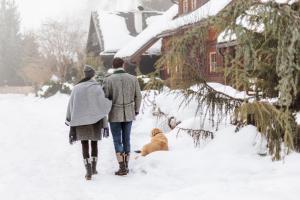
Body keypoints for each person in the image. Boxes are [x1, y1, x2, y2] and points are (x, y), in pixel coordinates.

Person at [65, 65, 112, 180]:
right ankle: (94, 168)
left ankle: (88, 171)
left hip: (80, 121)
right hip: (95, 121)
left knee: (84, 144)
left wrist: (70, 119)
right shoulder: (97, 87)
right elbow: (102, 105)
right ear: (93, 75)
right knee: (94, 143)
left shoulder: (76, 88)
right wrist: (109, 100)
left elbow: (71, 105)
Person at [103, 58, 142, 176]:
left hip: (114, 114)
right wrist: (136, 110)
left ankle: (122, 166)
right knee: (127, 139)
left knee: (117, 140)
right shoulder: (133, 78)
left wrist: (105, 112)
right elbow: (138, 97)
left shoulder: (108, 80)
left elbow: (104, 98)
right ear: (123, 65)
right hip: (129, 113)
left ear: (113, 66)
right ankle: (126, 165)